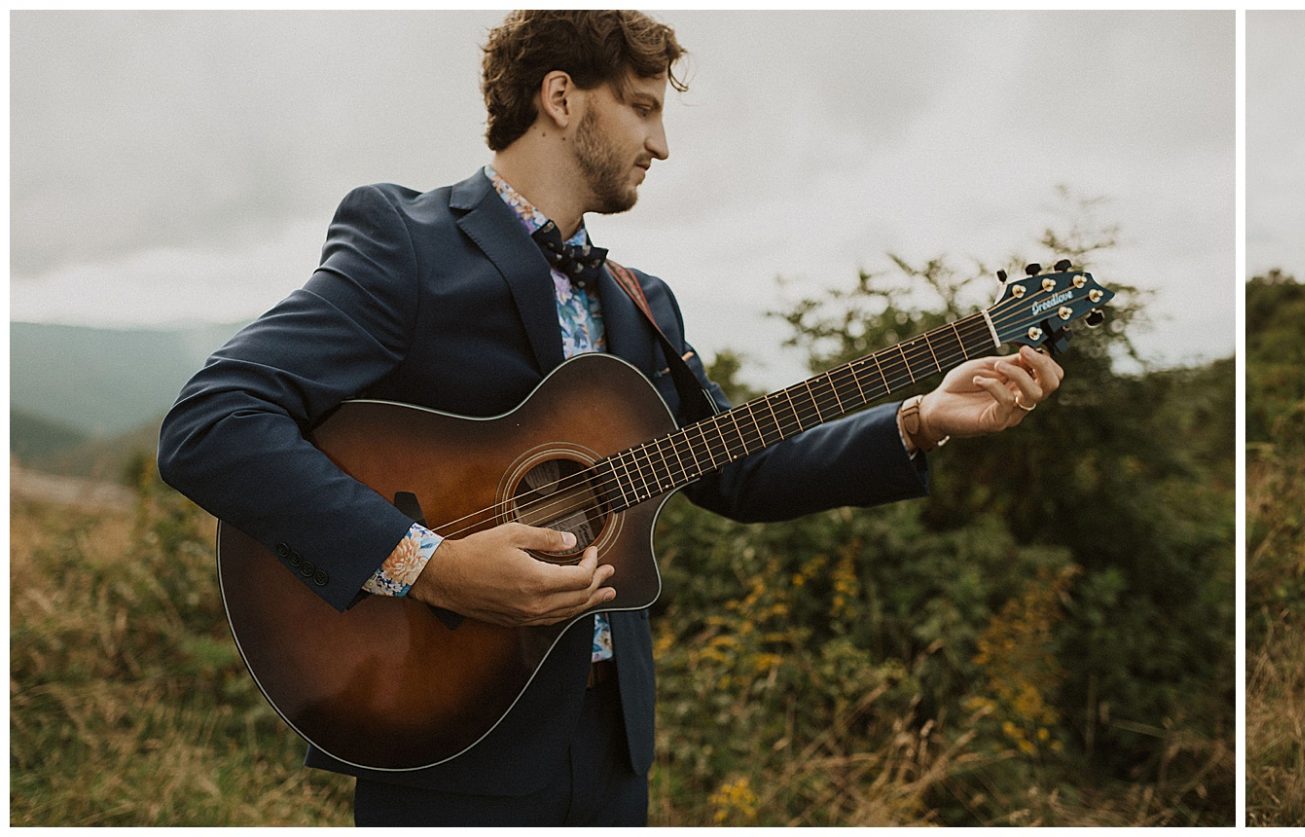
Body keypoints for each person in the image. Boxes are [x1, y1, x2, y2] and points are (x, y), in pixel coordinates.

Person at [157, 10, 1063, 826]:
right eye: (641, 107)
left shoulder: (643, 302)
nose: (661, 143)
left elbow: (735, 469)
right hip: (440, 728)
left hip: (609, 748)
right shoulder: (408, 244)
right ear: (560, 97)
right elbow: (212, 421)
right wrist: (428, 563)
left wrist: (921, 419)